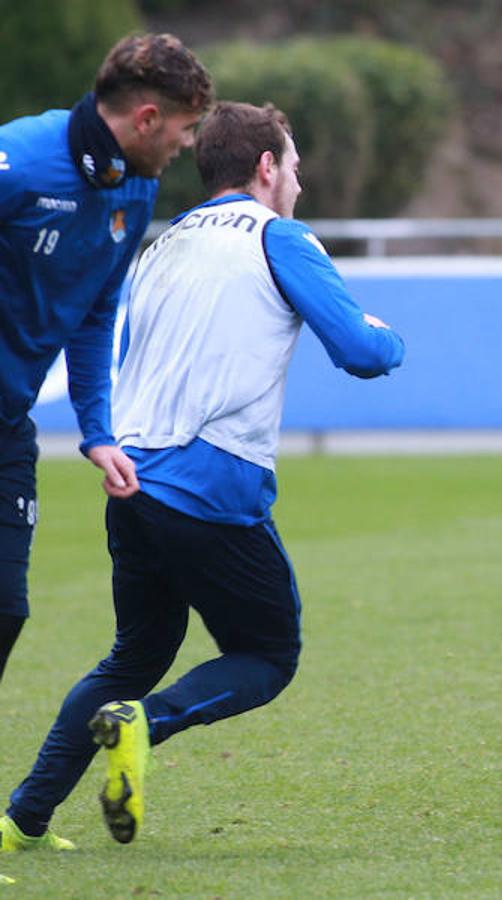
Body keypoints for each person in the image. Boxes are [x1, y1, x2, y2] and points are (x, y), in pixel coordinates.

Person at [0, 100, 405, 852]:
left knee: (136, 653)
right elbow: (362, 351)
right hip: (209, 481)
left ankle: (23, 819)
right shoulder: (278, 236)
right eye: (293, 168)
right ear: (264, 168)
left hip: (132, 479)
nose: (299, 185)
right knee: (269, 654)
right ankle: (141, 724)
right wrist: (391, 333)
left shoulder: (162, 242)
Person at [0, 33, 213, 690]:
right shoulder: (23, 161)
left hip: (8, 423)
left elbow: (96, 312)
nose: (185, 145)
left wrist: (99, 432)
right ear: (146, 119)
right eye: (183, 129)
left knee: (6, 610)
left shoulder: (134, 188)